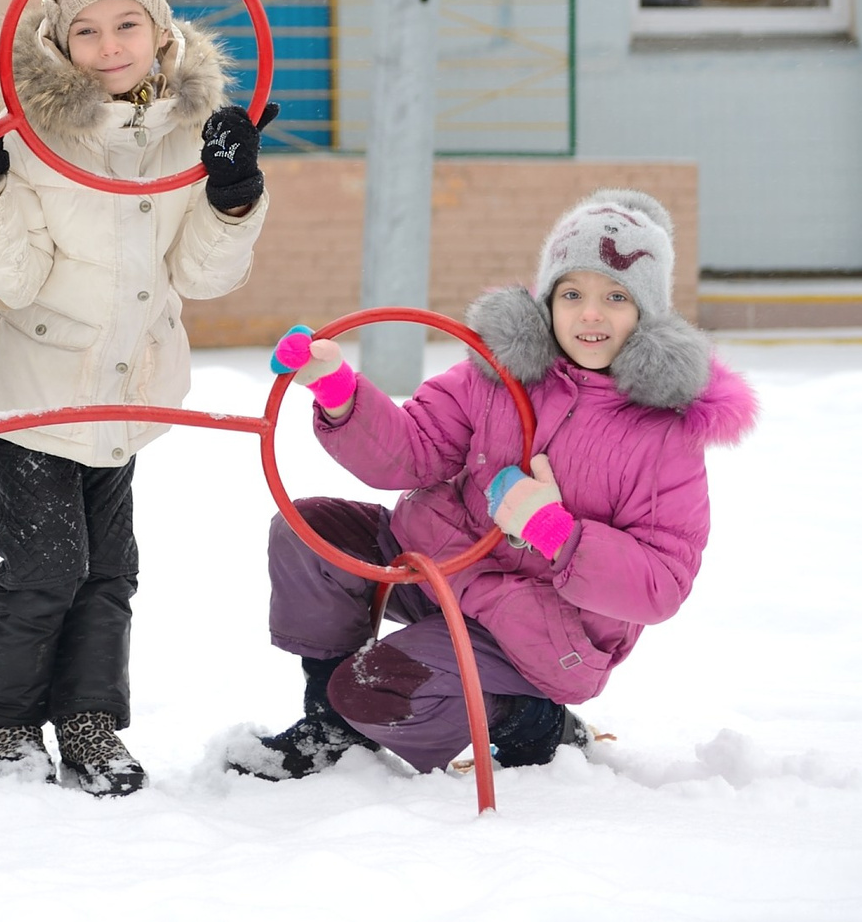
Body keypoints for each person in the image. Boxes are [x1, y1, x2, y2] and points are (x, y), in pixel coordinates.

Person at [0, 0, 272, 795]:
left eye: (127, 24)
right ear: (56, 38)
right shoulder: (32, 129)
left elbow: (200, 274)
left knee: (109, 570)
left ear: (161, 30)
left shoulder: (192, 131)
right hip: (30, 381)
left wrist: (233, 197)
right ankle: (7, 725)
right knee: (45, 564)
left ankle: (89, 722)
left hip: (123, 380)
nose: (110, 45)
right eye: (86, 30)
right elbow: (12, 279)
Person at [244, 188, 757, 780]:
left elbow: (662, 582)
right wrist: (337, 389)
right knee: (307, 533)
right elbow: (411, 453)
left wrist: (557, 534)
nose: (591, 315)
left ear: (648, 313)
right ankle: (329, 728)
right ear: (547, 301)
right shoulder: (498, 376)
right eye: (572, 294)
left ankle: (532, 722)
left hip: (539, 631)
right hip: (441, 567)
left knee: (373, 689)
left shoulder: (664, 434)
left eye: (616, 297)